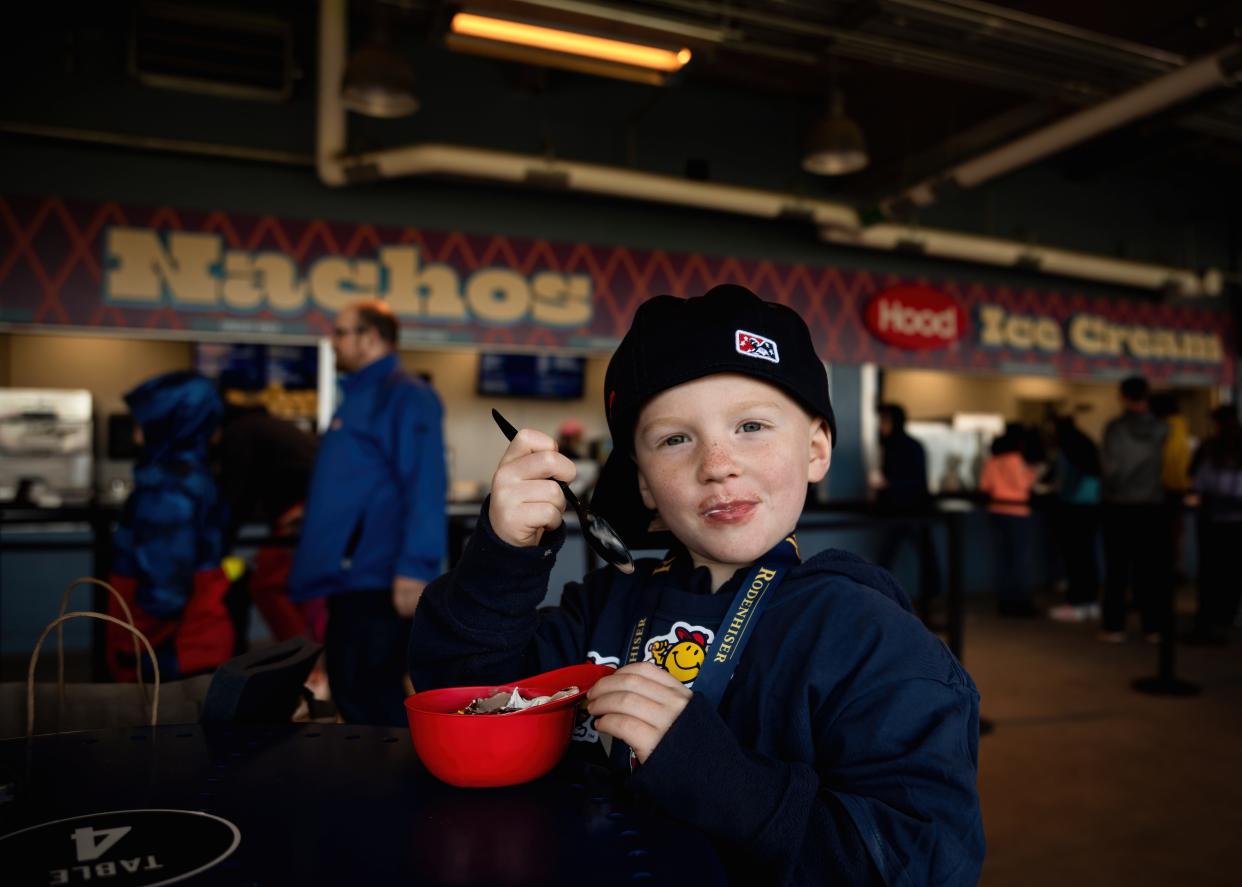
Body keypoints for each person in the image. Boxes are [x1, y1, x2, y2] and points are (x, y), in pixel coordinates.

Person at [410, 285, 984, 885]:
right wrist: (502, 557)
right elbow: (460, 702)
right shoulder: (599, 609)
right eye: (674, 439)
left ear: (816, 450)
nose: (716, 462)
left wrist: (723, 779)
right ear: (644, 486)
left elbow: (922, 863)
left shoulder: (873, 641)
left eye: (752, 426)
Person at [290, 299, 447, 725]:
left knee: (368, 695)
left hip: (377, 578)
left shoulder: (405, 396)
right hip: (347, 577)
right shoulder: (359, 396)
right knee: (350, 687)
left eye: (341, 332)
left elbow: (426, 484)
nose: (333, 341)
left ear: (371, 338)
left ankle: (388, 789)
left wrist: (416, 567)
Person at [106, 371, 235, 681]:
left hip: (171, 651)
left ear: (168, 423)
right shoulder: (191, 474)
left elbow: (165, 588)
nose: (136, 432)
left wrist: (135, 644)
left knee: (163, 727)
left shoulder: (168, 485)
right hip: (197, 641)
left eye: (143, 421)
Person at [216, 390, 322, 645]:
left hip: (297, 512)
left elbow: (236, 492)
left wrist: (222, 537)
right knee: (290, 589)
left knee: (269, 586)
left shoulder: (239, 433)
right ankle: (306, 658)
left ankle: (302, 661)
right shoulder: (265, 426)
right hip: (312, 511)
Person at [1099, 376, 1170, 643]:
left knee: (1117, 570)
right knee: (1150, 570)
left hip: (1119, 506)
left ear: (1124, 397)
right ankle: (1153, 626)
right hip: (1152, 506)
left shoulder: (1115, 429)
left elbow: (1110, 470)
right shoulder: (1163, 429)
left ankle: (1114, 626)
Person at [872, 402, 942, 610]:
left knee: (897, 555)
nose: (881, 426)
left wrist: (888, 484)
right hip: (900, 510)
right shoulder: (891, 446)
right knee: (898, 554)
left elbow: (918, 481)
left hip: (911, 510)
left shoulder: (907, 446)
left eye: (884, 421)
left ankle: (930, 598)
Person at [1185, 405, 1242, 645]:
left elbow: (1195, 479)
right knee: (1232, 571)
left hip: (1210, 516)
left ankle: (1206, 621)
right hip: (1237, 519)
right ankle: (1225, 618)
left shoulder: (1209, 447)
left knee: (1209, 571)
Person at [978, 423, 1040, 617]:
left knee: (1003, 558)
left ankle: (1005, 601)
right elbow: (1024, 484)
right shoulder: (1016, 459)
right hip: (1017, 511)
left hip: (996, 511)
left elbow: (984, 486)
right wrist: (1033, 473)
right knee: (1019, 558)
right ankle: (1020, 602)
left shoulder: (992, 460)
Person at [1047, 414, 1103, 623]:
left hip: (1072, 507)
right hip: (1092, 506)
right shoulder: (1086, 442)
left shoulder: (1067, 448)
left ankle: (1077, 602)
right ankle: (1090, 602)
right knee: (1087, 556)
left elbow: (1063, 481)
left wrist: (1055, 489)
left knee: (1074, 557)